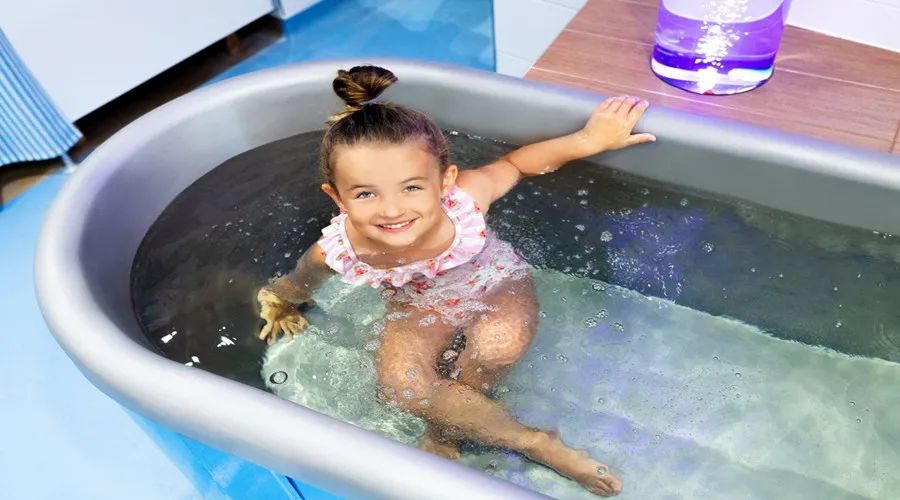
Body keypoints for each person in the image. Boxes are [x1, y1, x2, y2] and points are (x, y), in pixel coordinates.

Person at [256, 65, 655, 496]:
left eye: (411, 188)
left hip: (497, 284)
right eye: (366, 193)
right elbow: (297, 282)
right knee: (400, 387)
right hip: (418, 305)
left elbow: (516, 164)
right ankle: (532, 441)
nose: (392, 210)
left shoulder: (465, 199)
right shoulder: (339, 250)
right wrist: (279, 303)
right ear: (336, 196)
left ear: (444, 181)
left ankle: (450, 428)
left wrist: (588, 140)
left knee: (497, 347)